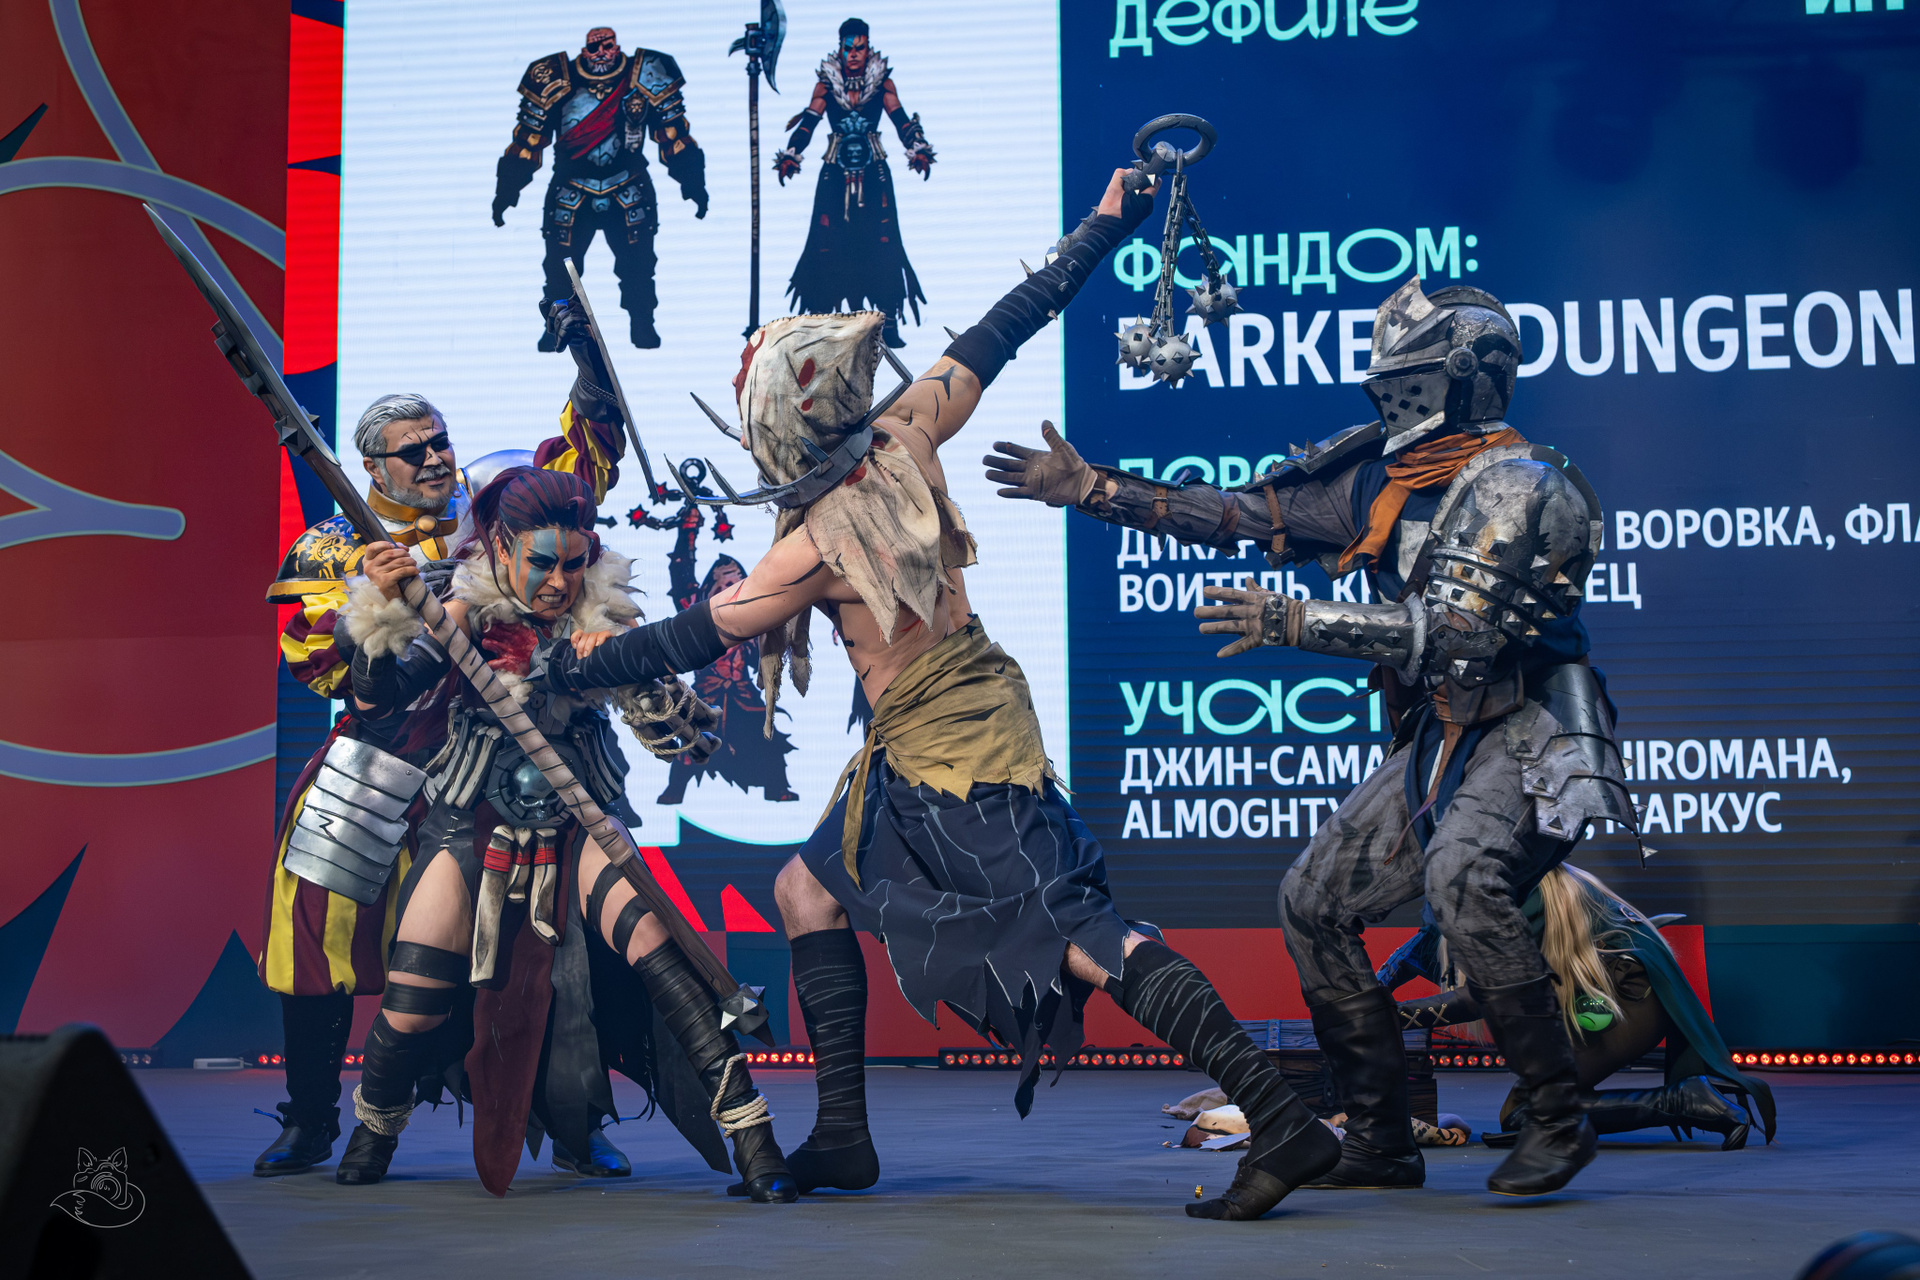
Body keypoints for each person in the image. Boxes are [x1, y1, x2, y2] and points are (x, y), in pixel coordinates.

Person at [561, 167, 1343, 1221]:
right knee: (805, 890)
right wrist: (1103, 226)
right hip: (918, 739)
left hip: (959, 753)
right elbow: (1000, 328)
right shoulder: (906, 431)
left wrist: (570, 665)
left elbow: (700, 632)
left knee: (1083, 934)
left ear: (778, 426)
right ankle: (844, 1134)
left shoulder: (813, 543)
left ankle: (1279, 1117)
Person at [984, 277, 1632, 1198]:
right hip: (1440, 734)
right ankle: (1379, 1137)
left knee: (1463, 878)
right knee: (1312, 900)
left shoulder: (1523, 487)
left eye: (1407, 380)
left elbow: (1457, 636)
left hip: (1528, 727)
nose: (1388, 396)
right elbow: (1240, 515)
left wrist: (1293, 620)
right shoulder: (1378, 477)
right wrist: (1093, 489)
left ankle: (1559, 1119)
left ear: (1461, 378)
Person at [339, 463, 799, 1200]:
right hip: (469, 820)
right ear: (501, 547)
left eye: (575, 564)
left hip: (579, 818)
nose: (559, 582)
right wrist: (382, 616)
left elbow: (687, 741)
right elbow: (377, 703)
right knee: (413, 998)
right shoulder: (460, 610)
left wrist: (605, 670)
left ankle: (757, 1146)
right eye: (543, 563)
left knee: (664, 958)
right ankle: (374, 1129)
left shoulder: (602, 617)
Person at [252, 326, 632, 1183]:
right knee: (315, 928)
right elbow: (321, 666)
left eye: (439, 442)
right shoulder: (331, 547)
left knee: (548, 939)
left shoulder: (491, 512)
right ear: (372, 467)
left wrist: (590, 374)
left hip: (491, 763)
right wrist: (371, 601)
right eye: (412, 451)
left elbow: (573, 475)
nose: (433, 459)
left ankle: (574, 1121)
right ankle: (311, 1119)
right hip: (380, 763)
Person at [1385, 864, 1775, 1149]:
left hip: (1622, 1001)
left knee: (1530, 1114)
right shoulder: (1501, 872)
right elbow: (1420, 947)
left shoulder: (1511, 888)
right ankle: (1687, 1099)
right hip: (1623, 993)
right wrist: (1373, 989)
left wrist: (1382, 1017)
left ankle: (1686, 1101)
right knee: (1522, 1113)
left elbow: (1480, 996)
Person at [494, 27, 708, 350]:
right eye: (593, 48)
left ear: (616, 46)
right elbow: (527, 141)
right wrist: (506, 193)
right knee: (559, 270)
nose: (601, 53)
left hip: (628, 187)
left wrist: (694, 185)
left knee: (638, 266)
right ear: (584, 50)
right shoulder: (553, 77)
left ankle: (643, 323)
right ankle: (555, 326)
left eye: (607, 46)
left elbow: (674, 135)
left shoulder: (647, 73)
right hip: (571, 190)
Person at [777, 17, 934, 349]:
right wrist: (792, 152)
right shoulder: (826, 85)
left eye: (859, 48)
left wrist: (917, 145)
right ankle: (821, 319)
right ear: (840, 48)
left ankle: (887, 321)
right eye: (848, 48)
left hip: (874, 173)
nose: (853, 54)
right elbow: (808, 122)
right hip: (835, 175)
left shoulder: (882, 84)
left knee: (883, 241)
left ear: (867, 47)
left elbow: (900, 119)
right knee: (826, 242)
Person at [655, 506, 798, 805]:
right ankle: (674, 790)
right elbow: (681, 574)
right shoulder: (697, 614)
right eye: (724, 585)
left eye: (736, 584)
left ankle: (777, 787)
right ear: (711, 588)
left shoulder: (753, 617)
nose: (731, 590)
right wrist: (688, 532)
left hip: (742, 693)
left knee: (768, 740)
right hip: (705, 693)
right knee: (689, 738)